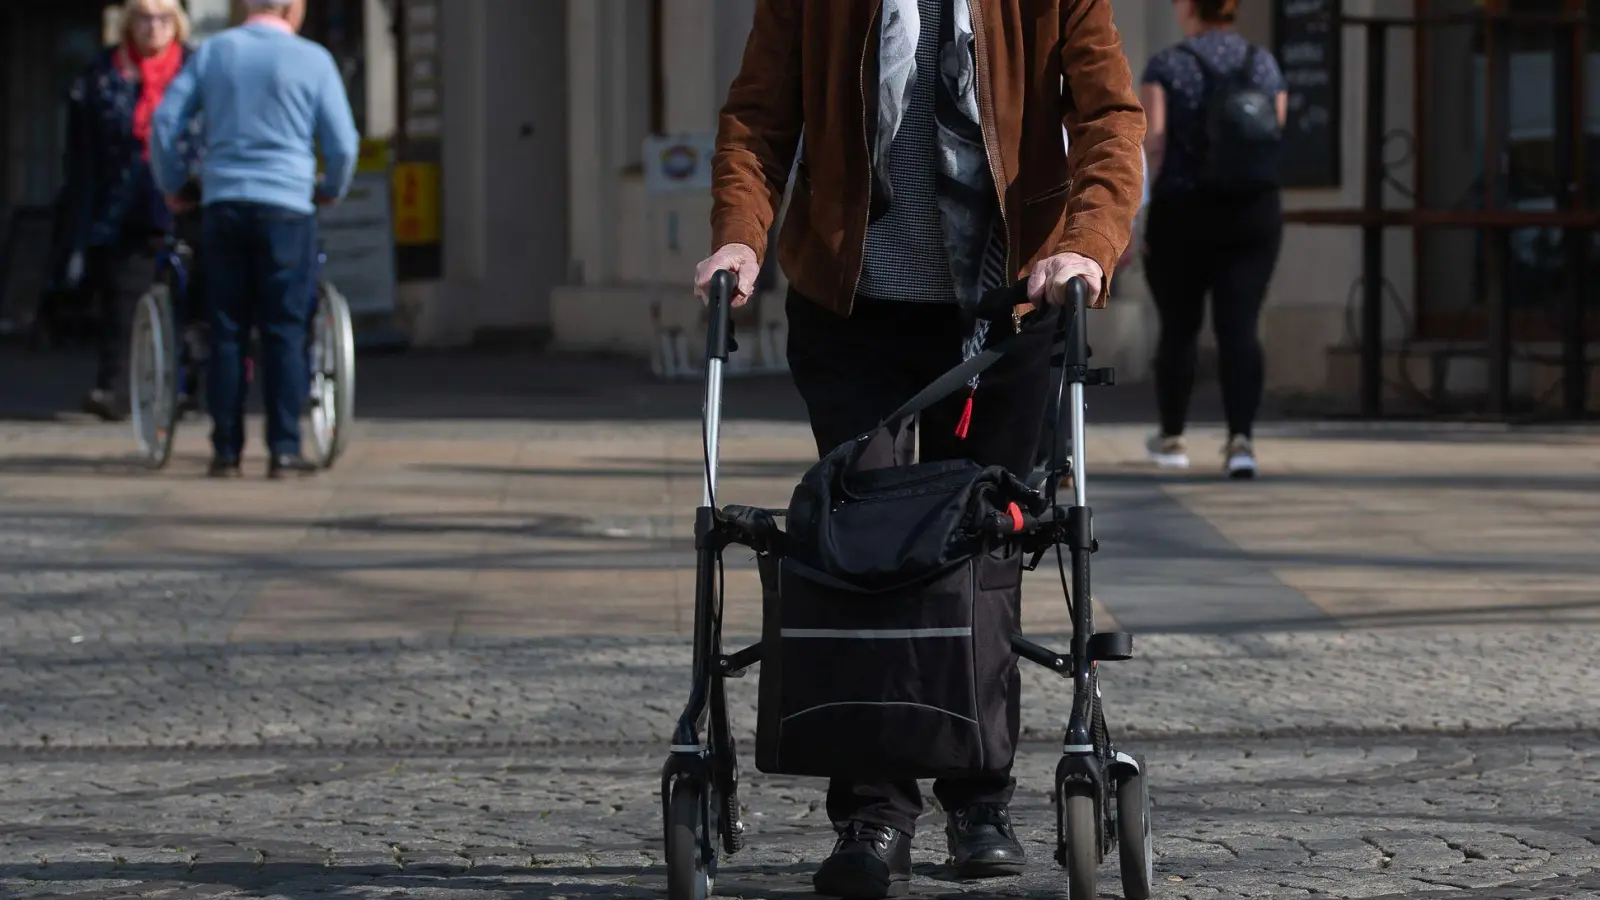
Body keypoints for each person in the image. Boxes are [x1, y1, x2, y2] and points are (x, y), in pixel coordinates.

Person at [695, 1, 1145, 896]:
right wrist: (740, 236)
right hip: (854, 315)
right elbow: (759, 117)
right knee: (865, 552)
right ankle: (873, 813)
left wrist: (1087, 244)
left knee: (987, 547)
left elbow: (1108, 116)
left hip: (1007, 317)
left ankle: (980, 796)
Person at [151, 0, 358, 479]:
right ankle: (284, 449)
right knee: (286, 328)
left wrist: (174, 182)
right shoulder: (314, 60)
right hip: (288, 204)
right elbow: (343, 144)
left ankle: (226, 450)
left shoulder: (213, 53)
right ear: (293, 8)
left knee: (227, 328)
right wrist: (329, 189)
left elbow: (166, 122)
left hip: (223, 202)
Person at [1139, 0, 1287, 477]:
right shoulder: (1262, 62)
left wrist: (1139, 211)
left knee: (1179, 327)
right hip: (1252, 210)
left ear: (1188, 9)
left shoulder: (1168, 65)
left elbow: (1154, 141)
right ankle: (1241, 442)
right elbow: (1274, 130)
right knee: (1240, 325)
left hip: (1183, 209)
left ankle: (1173, 438)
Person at [59, 0, 199, 422]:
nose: (153, 27)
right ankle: (118, 389)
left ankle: (185, 391)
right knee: (123, 301)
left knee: (190, 302)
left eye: (162, 18)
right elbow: (83, 150)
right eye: (143, 17)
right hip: (123, 203)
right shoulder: (103, 74)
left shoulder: (197, 69)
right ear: (128, 23)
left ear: (176, 24)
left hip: (184, 199)